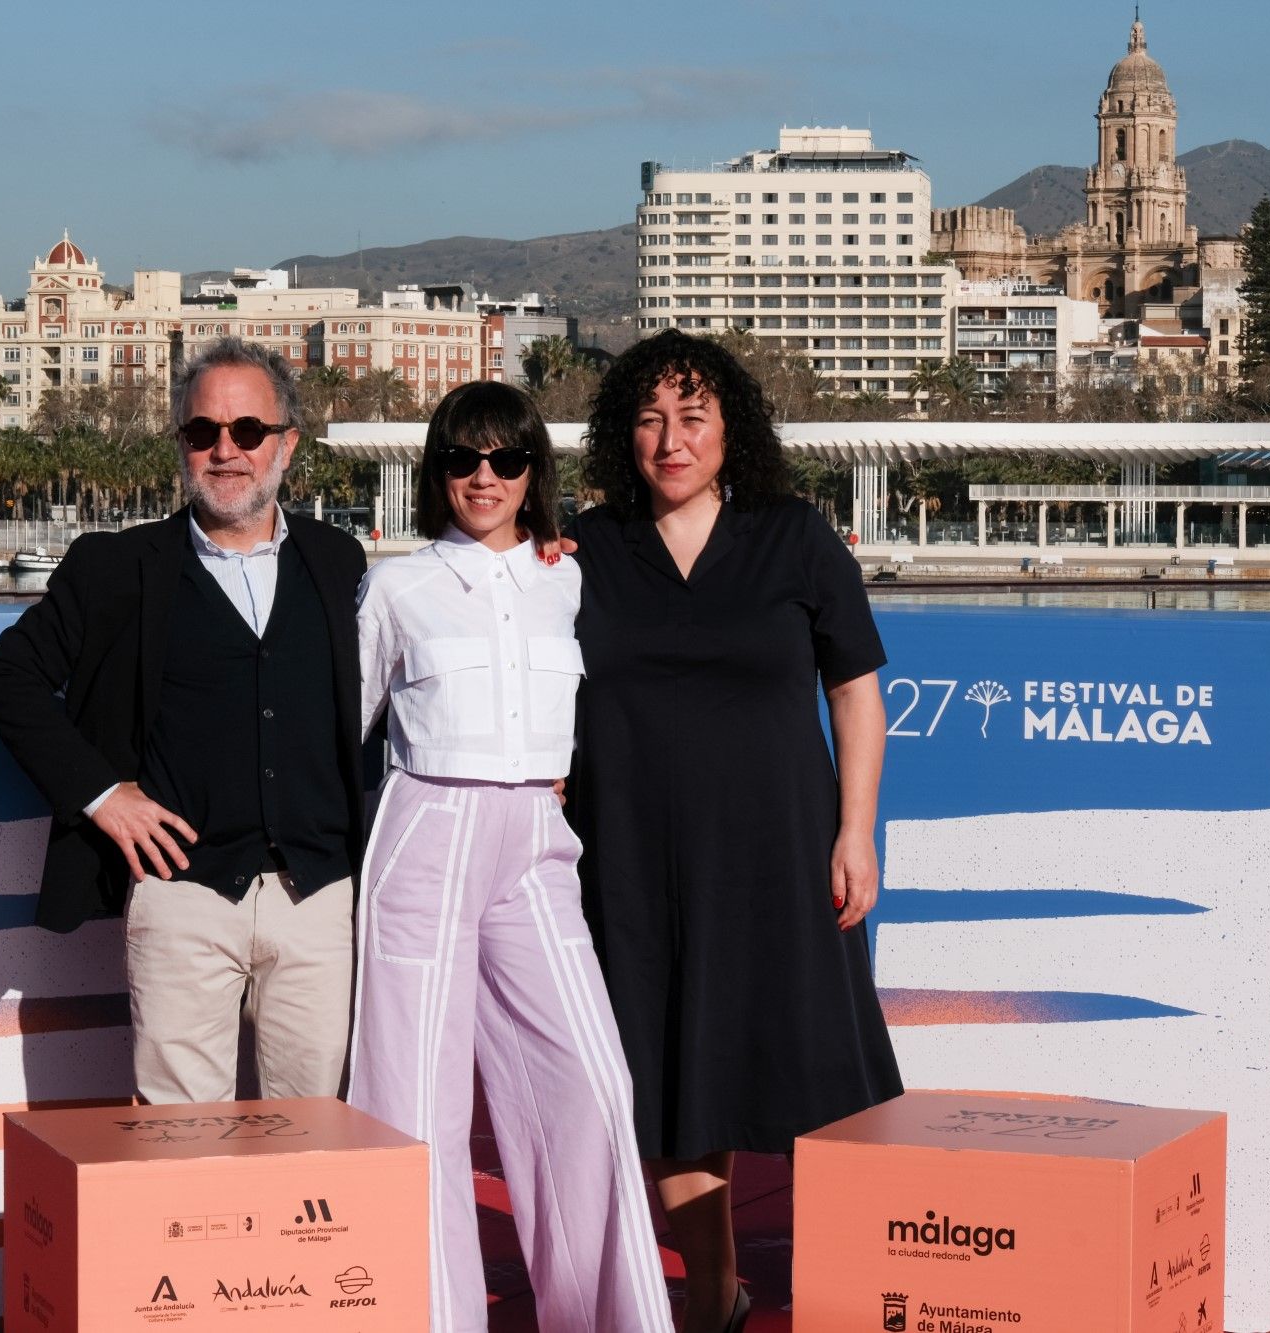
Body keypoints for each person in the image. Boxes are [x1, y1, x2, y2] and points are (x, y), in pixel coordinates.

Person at [569, 331, 902, 1333]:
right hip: (631, 862)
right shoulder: (583, 548)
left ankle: (854, 1283)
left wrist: (855, 832)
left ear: (731, 429)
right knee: (676, 1088)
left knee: (816, 1075)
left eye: (692, 416)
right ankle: (711, 1296)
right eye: (648, 417)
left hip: (777, 856)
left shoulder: (793, 535)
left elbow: (854, 692)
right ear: (621, 432)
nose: (669, 439)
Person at [347, 382, 671, 1333]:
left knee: (593, 1080)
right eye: (461, 459)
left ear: (535, 470)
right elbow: (349, 730)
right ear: (436, 472)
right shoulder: (397, 583)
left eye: (505, 459)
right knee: (414, 1105)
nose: (482, 477)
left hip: (538, 841)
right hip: (425, 831)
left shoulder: (571, 575)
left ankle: (607, 1318)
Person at [0, 337, 367, 1105]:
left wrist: (543, 547)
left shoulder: (338, 560)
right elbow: (5, 676)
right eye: (202, 433)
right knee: (180, 1153)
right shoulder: (116, 570)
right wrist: (100, 793)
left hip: (320, 899)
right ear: (181, 445)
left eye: (248, 431)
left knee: (316, 1138)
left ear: (286, 443)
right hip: (181, 897)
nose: (226, 451)